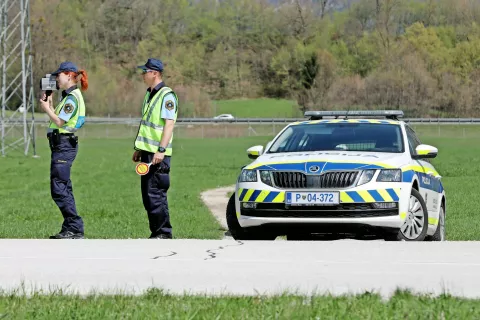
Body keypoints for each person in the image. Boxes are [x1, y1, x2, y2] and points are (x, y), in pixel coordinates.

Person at [39, 61, 88, 239]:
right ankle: (71, 227)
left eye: (58, 76)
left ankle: (74, 226)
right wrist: (50, 104)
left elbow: (60, 122)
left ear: (68, 75)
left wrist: (45, 108)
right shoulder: (68, 97)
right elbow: (58, 118)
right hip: (61, 145)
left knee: (59, 188)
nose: (56, 79)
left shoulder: (73, 98)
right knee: (63, 186)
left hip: (64, 146)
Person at [132, 58, 178, 239]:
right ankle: (156, 232)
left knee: (156, 194)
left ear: (155, 73)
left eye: (145, 72)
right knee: (148, 195)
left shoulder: (167, 95)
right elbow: (147, 125)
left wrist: (161, 150)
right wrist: (139, 149)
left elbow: (169, 125)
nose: (143, 75)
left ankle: (163, 233)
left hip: (158, 154)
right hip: (147, 152)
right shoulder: (150, 94)